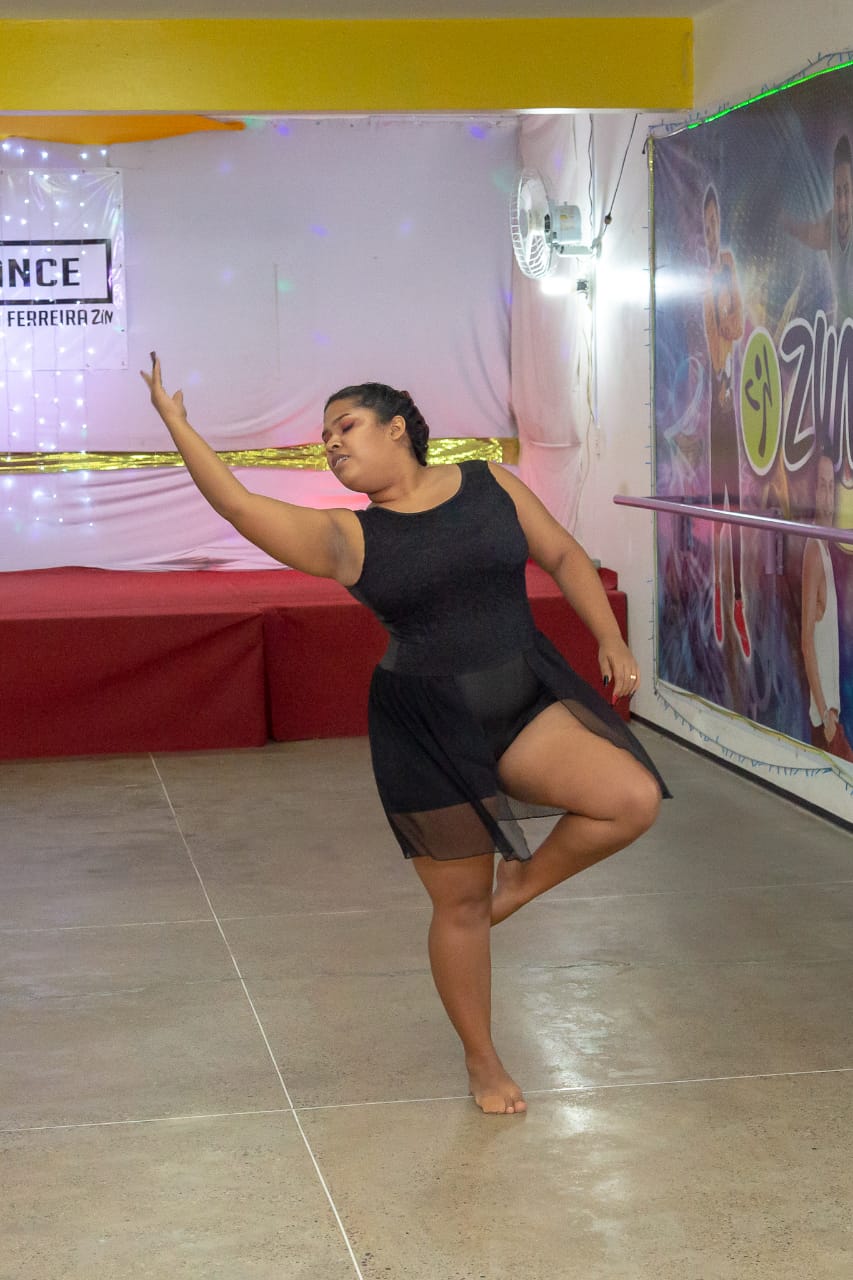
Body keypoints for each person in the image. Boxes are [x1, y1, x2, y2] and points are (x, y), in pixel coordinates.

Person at [142, 356, 668, 1116]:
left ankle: (522, 883)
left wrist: (609, 637)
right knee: (460, 906)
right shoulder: (346, 537)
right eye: (324, 437)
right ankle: (482, 1061)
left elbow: (559, 553)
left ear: (398, 428)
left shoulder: (489, 484)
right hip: (424, 725)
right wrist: (177, 425)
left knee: (630, 799)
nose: (331, 443)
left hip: (520, 696)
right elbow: (238, 505)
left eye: (345, 426)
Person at [702, 184, 751, 658]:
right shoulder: (708, 283)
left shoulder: (728, 267)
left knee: (735, 511)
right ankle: (720, 600)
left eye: (716, 221)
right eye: (708, 225)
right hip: (716, 412)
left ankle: (735, 602)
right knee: (719, 515)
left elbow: (737, 325)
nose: (713, 230)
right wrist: (726, 293)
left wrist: (729, 283)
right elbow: (724, 333)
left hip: (731, 408)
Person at [801, 449, 853, 762]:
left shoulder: (824, 546)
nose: (827, 495)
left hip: (830, 716)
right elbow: (806, 641)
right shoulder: (814, 553)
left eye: (830, 486)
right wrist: (824, 714)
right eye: (821, 486)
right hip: (825, 722)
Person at [783, 133, 853, 328]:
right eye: (838, 192)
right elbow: (808, 234)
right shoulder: (831, 224)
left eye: (847, 191)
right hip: (843, 336)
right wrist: (784, 221)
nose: (842, 202)